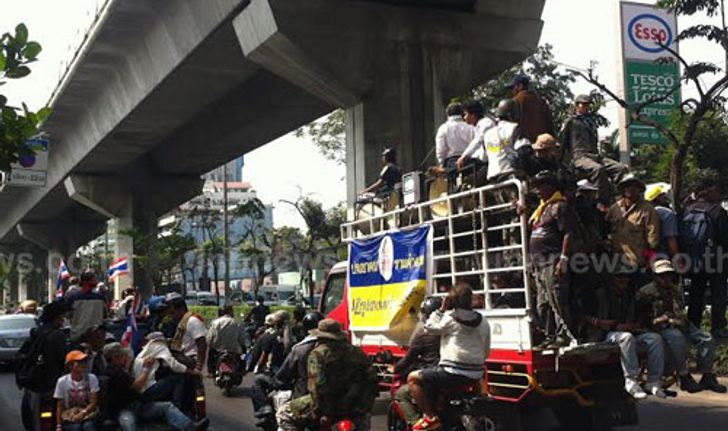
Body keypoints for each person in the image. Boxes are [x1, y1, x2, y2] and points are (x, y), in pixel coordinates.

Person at [636, 259, 727, 394]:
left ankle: (707, 374)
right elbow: (643, 318)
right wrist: (661, 320)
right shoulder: (645, 293)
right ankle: (684, 376)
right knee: (676, 337)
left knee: (706, 339)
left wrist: (676, 320)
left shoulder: (674, 290)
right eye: (662, 275)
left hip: (678, 323)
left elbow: (679, 312)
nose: (666, 278)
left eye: (668, 275)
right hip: (659, 327)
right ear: (655, 276)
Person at [408, 282, 490, 431]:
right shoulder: (483, 321)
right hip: (477, 373)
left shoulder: (450, 318)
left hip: (452, 373)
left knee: (413, 378)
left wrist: (441, 309)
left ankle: (430, 417)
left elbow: (429, 327)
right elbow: (486, 350)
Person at [288, 319, 378, 431]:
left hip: (329, 407)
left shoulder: (318, 354)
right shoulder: (357, 352)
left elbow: (318, 386)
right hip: (356, 406)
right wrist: (364, 406)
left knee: (283, 414)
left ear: (320, 337)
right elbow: (372, 379)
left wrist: (323, 413)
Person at [104, 342, 208, 431]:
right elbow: (137, 387)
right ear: (114, 358)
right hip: (124, 410)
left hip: (139, 406)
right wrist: (146, 368)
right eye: (122, 355)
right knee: (130, 425)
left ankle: (190, 427)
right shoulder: (114, 373)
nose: (125, 357)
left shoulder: (124, 369)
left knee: (167, 406)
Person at [528, 171, 576, 348]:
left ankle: (564, 335)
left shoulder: (560, 206)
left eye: (541, 185)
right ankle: (549, 336)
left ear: (550, 186)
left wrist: (563, 258)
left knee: (556, 298)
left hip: (552, 259)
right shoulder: (541, 208)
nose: (538, 190)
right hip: (538, 262)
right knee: (543, 303)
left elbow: (568, 233)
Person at [603, 273, 666, 399]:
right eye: (619, 277)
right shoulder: (603, 295)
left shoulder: (630, 297)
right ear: (613, 279)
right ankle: (631, 380)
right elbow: (597, 319)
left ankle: (653, 381)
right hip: (607, 334)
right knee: (627, 337)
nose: (623, 280)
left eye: (625, 277)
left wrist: (634, 325)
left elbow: (637, 320)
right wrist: (615, 326)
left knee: (655, 339)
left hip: (629, 332)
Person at [260, 312, 325, 429]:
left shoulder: (300, 349)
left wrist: (275, 384)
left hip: (308, 400)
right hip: (341, 402)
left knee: (283, 415)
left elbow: (283, 376)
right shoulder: (346, 350)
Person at [560, 94, 628, 204]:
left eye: (588, 104)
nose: (586, 107)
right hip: (580, 156)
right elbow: (562, 142)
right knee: (598, 169)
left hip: (595, 155)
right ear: (577, 105)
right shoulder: (570, 121)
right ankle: (601, 201)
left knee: (621, 168)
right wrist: (561, 163)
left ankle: (623, 197)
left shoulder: (591, 122)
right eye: (584, 104)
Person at [682, 178, 728, 338]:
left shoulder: (687, 210)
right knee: (718, 294)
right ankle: (718, 328)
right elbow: (724, 239)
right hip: (717, 260)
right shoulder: (718, 211)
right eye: (716, 190)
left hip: (694, 259)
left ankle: (693, 326)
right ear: (706, 192)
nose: (718, 194)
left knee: (696, 293)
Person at [20, 300, 70, 431]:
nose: (63, 320)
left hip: (34, 385)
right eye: (62, 317)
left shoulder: (37, 332)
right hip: (51, 386)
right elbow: (64, 360)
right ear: (57, 317)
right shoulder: (57, 335)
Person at [392, 297, 442, 428]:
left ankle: (417, 424)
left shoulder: (423, 333)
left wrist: (395, 368)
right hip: (452, 373)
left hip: (432, 375)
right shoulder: (451, 329)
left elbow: (409, 358)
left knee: (401, 394)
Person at [605, 174, 660, 279]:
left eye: (634, 186)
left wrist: (649, 260)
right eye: (627, 186)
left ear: (639, 189)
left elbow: (653, 239)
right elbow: (605, 228)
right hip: (615, 262)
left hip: (638, 263)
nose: (630, 189)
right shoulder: (614, 208)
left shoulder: (647, 209)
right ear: (622, 189)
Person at [133, 332, 198, 413]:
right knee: (179, 378)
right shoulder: (160, 345)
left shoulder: (143, 351)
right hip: (148, 390)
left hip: (139, 392)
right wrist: (187, 370)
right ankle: (178, 410)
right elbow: (172, 363)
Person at [482, 99, 531, 182]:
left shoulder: (487, 134)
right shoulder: (515, 128)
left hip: (493, 180)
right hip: (512, 176)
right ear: (512, 115)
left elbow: (484, 158)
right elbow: (524, 152)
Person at [53, 350, 100, 431]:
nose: (84, 364)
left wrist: (83, 413)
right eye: (79, 362)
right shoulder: (62, 381)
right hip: (70, 416)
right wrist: (59, 425)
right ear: (70, 365)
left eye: (85, 361)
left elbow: (93, 402)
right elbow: (60, 406)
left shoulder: (92, 378)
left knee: (88, 427)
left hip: (88, 414)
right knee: (75, 428)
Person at [506, 74, 554, 142]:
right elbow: (550, 126)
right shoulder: (541, 102)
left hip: (523, 145)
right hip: (542, 146)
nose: (512, 91)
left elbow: (511, 125)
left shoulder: (515, 101)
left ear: (520, 86)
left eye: (513, 87)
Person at [166, 293, 207, 372]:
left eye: (172, 312)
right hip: (183, 356)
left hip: (190, 358)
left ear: (180, 308)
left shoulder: (192, 321)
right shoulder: (181, 322)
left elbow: (202, 344)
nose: (170, 315)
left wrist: (198, 367)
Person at [644, 183, 681, 263]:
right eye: (662, 195)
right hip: (663, 256)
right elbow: (671, 239)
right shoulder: (667, 214)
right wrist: (678, 261)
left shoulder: (643, 213)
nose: (665, 197)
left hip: (646, 256)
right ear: (657, 198)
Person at [435, 102, 475, 173]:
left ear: (448, 114)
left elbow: (440, 150)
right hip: (470, 161)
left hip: (451, 162)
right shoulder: (470, 127)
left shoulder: (443, 128)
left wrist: (441, 163)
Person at [206, 305, 246, 376]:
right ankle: (243, 368)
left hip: (218, 350)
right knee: (244, 354)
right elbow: (242, 339)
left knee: (210, 354)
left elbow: (209, 338)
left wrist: (211, 345)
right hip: (234, 350)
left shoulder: (215, 322)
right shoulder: (237, 323)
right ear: (230, 311)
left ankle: (211, 371)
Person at [457, 100, 496, 169]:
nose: (464, 118)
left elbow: (477, 141)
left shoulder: (486, 123)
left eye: (465, 114)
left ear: (473, 115)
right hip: (483, 158)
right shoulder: (478, 125)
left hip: (489, 160)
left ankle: (445, 171)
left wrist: (464, 156)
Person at [68, 272, 107, 340]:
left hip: (77, 333)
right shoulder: (101, 298)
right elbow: (105, 315)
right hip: (95, 335)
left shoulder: (73, 298)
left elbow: (69, 315)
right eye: (94, 279)